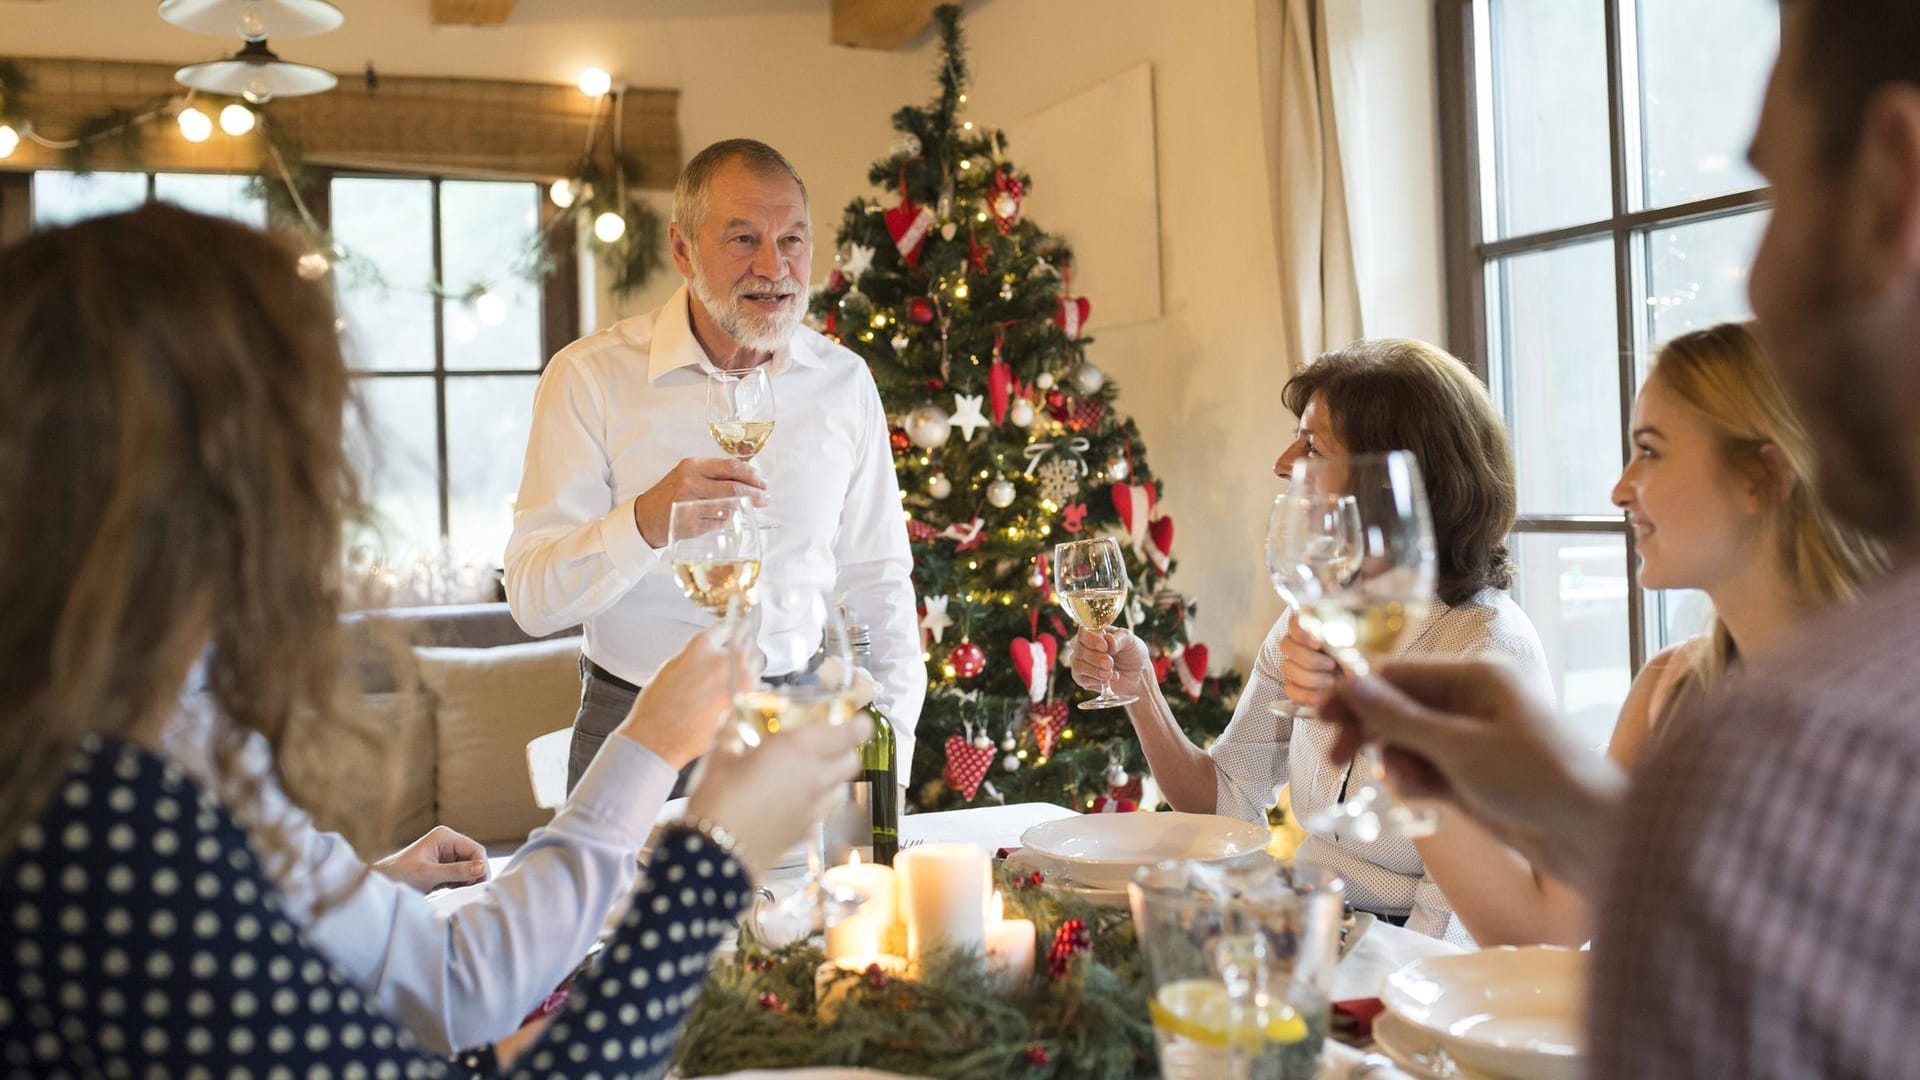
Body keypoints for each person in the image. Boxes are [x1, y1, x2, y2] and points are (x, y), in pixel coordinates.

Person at [0, 204, 869, 1074]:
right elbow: (456, 992)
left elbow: (323, 1006)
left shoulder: (143, 719)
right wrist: (705, 838)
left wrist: (366, 890)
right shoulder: (102, 803)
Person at [1321, 2, 1920, 1072]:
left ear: (1895, 177)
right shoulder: (1687, 698)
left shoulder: (1815, 738)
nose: (1616, 487)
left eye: (1781, 194)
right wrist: (1535, 798)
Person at [1415, 322, 1889, 948]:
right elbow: (1544, 933)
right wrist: (1419, 769)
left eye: (1650, 450)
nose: (1619, 489)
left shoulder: (1884, 715)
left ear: (1763, 476)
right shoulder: (1671, 688)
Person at [1071, 338, 1552, 945]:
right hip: (1313, 923)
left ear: (1391, 478)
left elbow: (1453, 923)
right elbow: (1227, 800)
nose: (1282, 462)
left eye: (1313, 446)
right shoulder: (1320, 614)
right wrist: (1140, 689)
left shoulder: (1484, 654)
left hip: (1414, 957)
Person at [506, 138, 925, 794]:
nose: (774, 265)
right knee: (630, 905)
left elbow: (880, 581)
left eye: (792, 239)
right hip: (638, 724)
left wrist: (890, 745)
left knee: (811, 902)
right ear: (681, 248)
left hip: (802, 721)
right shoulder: (590, 377)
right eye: (741, 239)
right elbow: (532, 598)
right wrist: (643, 523)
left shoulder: (843, 382)